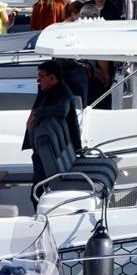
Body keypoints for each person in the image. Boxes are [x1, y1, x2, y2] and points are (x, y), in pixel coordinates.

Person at [22, 60, 82, 200]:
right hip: (39, 152)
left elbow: (62, 110)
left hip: (49, 154)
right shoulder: (45, 90)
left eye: (41, 76)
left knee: (36, 194)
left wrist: (37, 113)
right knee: (37, 191)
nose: (38, 80)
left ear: (52, 78)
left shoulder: (63, 92)